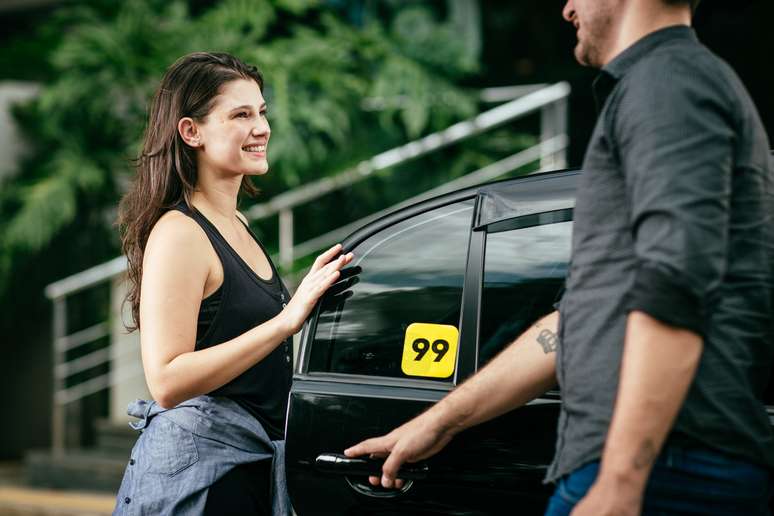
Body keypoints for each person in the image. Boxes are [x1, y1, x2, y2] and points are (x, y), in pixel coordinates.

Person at [345, 1, 774, 514]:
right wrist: (437, 422)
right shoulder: (659, 85)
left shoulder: (669, 84)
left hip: (670, 469)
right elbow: (573, 325)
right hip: (658, 466)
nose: (567, 7)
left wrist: (620, 483)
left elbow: (676, 283)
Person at [113, 52, 352, 515]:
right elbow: (166, 380)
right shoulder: (181, 233)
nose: (261, 128)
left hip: (248, 472)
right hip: (204, 481)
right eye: (241, 115)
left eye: (261, 112)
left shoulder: (236, 223)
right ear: (191, 132)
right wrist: (285, 322)